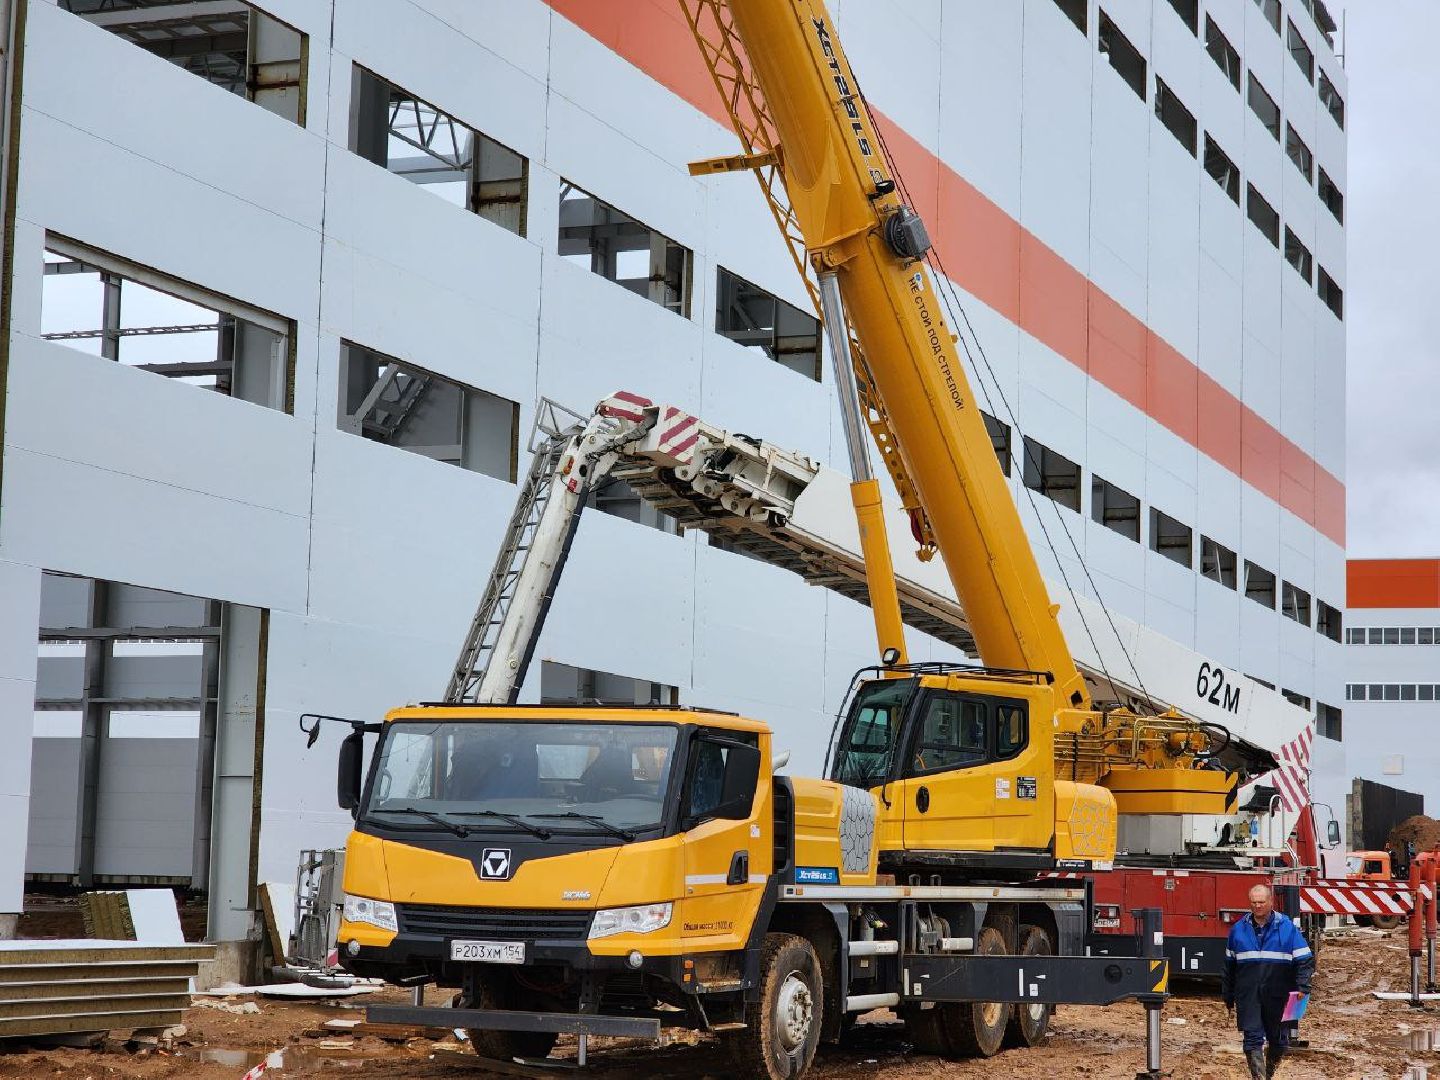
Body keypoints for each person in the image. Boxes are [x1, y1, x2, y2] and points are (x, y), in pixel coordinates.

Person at [1221, 883, 1315, 1079]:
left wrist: (1303, 986)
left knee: (1279, 1041)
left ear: (1271, 902)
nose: (1257, 906)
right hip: (1249, 995)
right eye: (1253, 903)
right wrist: (1228, 995)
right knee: (1252, 1039)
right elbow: (1229, 966)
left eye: (1261, 902)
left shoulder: (1287, 928)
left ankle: (1268, 1073)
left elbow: (1305, 960)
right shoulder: (1238, 930)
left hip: (1278, 994)